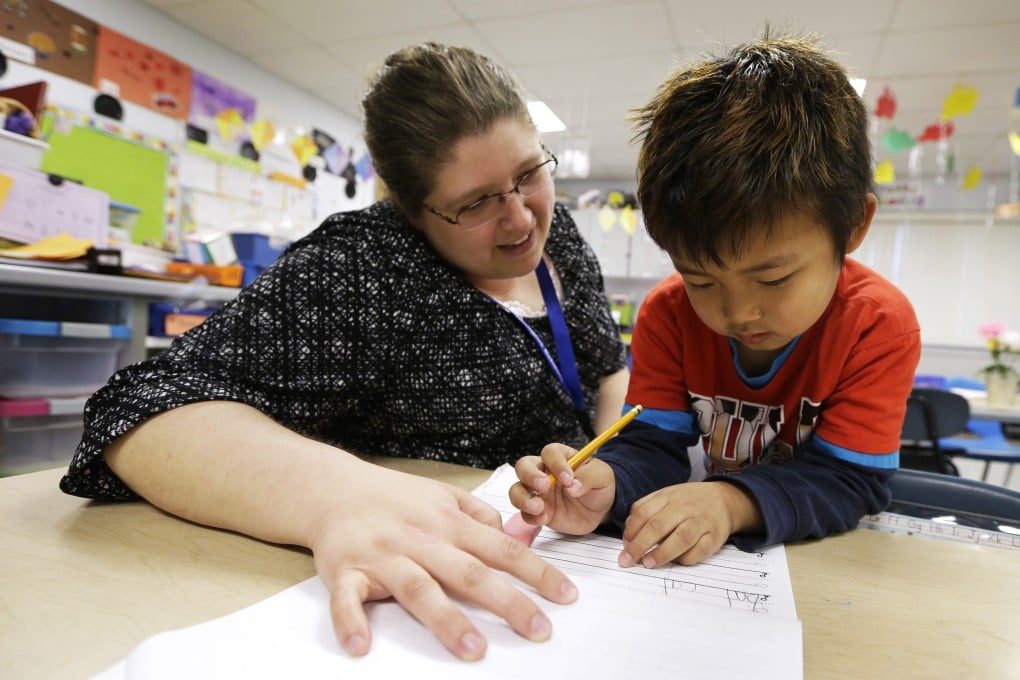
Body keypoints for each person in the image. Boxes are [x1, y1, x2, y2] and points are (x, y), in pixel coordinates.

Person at [60, 42, 629, 661]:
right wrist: (337, 496)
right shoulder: (366, 267)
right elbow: (139, 407)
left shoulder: (562, 235)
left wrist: (615, 470)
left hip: (579, 548)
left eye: (528, 175)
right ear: (411, 210)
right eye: (475, 204)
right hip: (426, 580)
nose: (521, 220)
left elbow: (606, 369)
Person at [511, 32, 921, 569]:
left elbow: (850, 480)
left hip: (831, 564)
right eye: (700, 280)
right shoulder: (667, 313)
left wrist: (731, 501)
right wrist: (607, 485)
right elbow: (651, 446)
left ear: (853, 227)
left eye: (772, 279)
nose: (737, 313)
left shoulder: (878, 324)